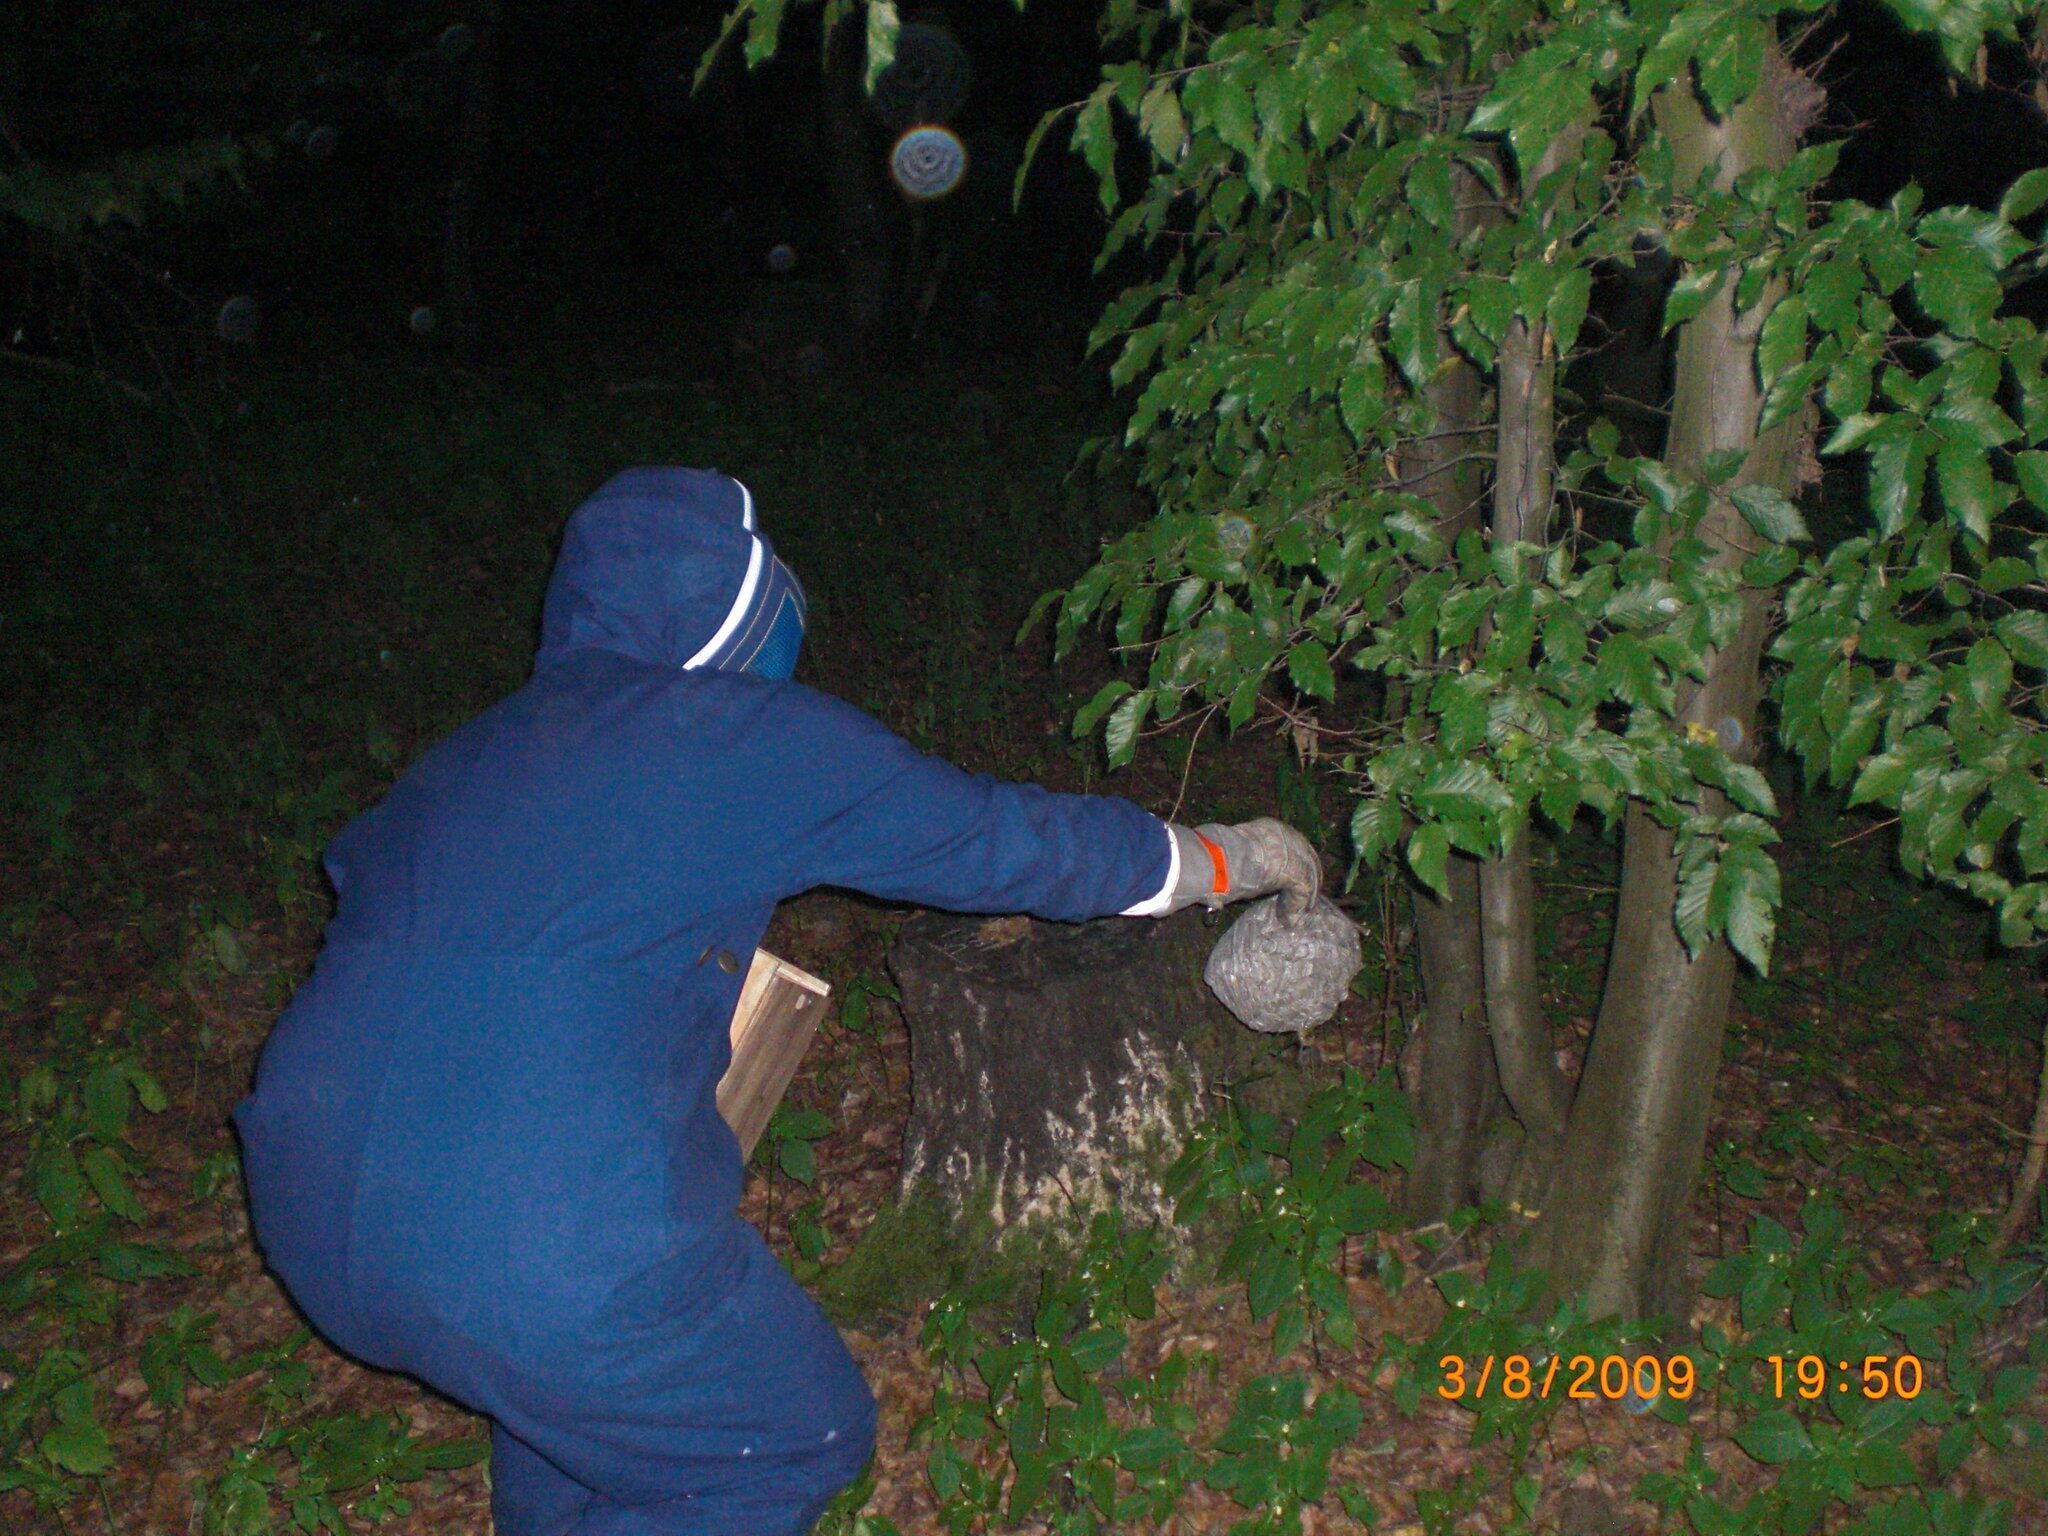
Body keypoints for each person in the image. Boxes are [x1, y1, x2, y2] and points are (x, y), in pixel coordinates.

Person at [233, 467, 1322, 1536]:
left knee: (567, 1413)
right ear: (735, 610)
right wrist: (1220, 861)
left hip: (310, 1208)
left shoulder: (469, 755)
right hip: (540, 1239)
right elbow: (998, 842)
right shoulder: (728, 731)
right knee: (789, 1438)